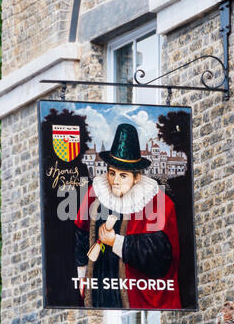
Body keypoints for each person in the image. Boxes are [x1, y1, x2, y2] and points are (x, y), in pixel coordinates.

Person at [74, 123, 181, 309]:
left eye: (123, 176)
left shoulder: (157, 201)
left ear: (136, 177)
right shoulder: (95, 193)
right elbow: (81, 231)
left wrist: (114, 241)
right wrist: (83, 275)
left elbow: (160, 255)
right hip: (102, 286)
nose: (115, 181)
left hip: (135, 292)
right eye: (112, 173)